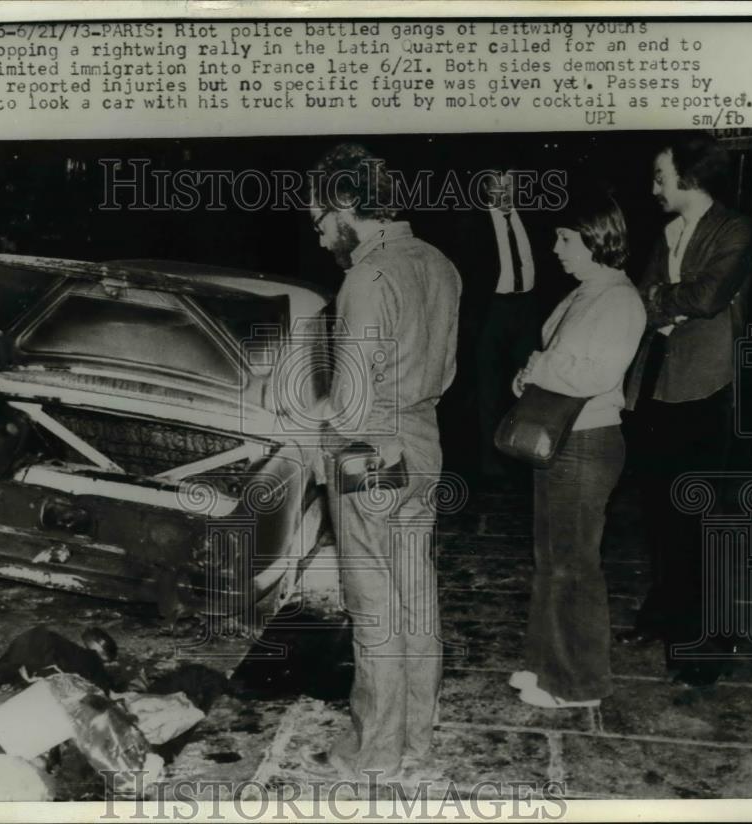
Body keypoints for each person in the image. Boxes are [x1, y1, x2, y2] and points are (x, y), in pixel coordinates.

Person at [299, 143, 461, 780]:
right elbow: (441, 371)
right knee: (416, 601)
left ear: (345, 204)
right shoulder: (440, 264)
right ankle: (417, 742)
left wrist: (311, 417)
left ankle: (373, 753)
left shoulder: (365, 278)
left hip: (369, 454)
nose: (318, 238)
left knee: (373, 606)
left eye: (318, 221)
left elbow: (351, 402)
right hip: (423, 443)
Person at [618, 133, 752, 688]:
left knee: (702, 520)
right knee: (660, 512)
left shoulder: (736, 229)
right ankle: (664, 615)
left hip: (705, 388)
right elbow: (639, 295)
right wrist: (661, 302)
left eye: (660, 175)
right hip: (658, 386)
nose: (654, 187)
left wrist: (659, 301)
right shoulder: (668, 231)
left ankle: (707, 647)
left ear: (690, 177)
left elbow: (705, 298)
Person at [508, 191, 645, 709]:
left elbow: (597, 373)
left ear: (596, 238)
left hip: (587, 442)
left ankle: (579, 685)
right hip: (567, 437)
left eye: (565, 238)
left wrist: (538, 369)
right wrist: (532, 370)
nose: (556, 247)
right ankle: (548, 668)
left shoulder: (617, 298)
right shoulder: (589, 290)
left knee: (574, 565)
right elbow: (559, 356)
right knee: (553, 560)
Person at [474, 170, 543, 487]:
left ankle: (522, 458)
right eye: (498, 188)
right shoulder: (473, 223)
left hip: (527, 308)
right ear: (486, 189)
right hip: (491, 309)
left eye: (510, 187)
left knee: (527, 387)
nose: (505, 194)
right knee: (488, 389)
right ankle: (490, 466)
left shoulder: (531, 216)